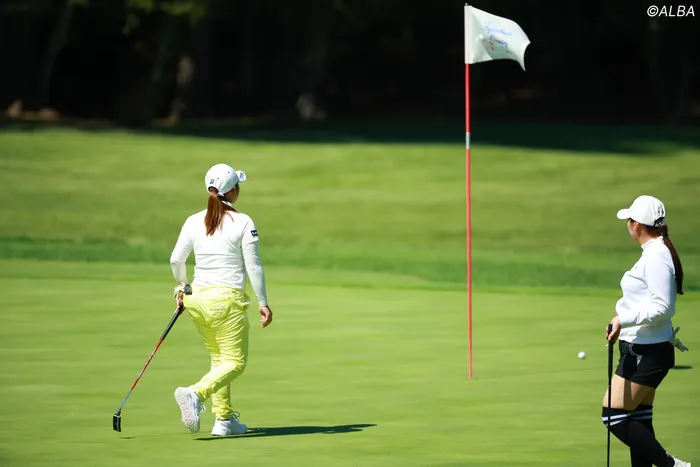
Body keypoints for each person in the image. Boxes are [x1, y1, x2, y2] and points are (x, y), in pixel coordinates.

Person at [169, 163, 273, 436]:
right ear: (233, 190)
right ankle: (195, 393)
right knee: (235, 362)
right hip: (225, 302)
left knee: (219, 360)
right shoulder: (243, 221)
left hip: (196, 299)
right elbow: (254, 266)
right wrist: (263, 302)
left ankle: (224, 420)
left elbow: (176, 260)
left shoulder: (193, 220)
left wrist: (182, 288)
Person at [602, 195, 690, 467]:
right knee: (638, 417)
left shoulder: (656, 256)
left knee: (613, 415)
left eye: (629, 220)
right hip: (643, 348)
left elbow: (663, 307)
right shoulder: (656, 251)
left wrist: (622, 319)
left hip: (647, 351)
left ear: (637, 225)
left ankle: (672, 466)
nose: (627, 224)